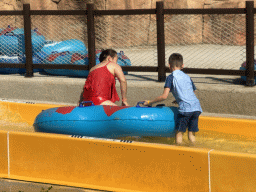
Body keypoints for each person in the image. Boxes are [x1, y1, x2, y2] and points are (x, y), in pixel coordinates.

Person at [143, 53, 202, 144]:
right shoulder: (187, 77)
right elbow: (192, 92)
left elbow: (164, 96)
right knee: (191, 134)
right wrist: (178, 99)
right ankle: (195, 149)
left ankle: (179, 151)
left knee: (179, 133)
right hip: (196, 108)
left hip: (186, 110)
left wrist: (150, 102)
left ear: (169, 66)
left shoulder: (171, 77)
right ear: (182, 66)